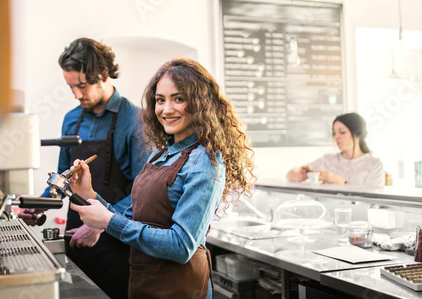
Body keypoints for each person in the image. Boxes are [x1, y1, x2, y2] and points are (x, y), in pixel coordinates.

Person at [68, 58, 257, 298]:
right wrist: (90, 195)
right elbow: (134, 217)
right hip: (145, 282)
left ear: (200, 103)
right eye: (160, 100)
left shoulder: (205, 161)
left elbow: (181, 246)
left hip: (180, 288)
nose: (166, 109)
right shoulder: (162, 154)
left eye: (178, 98)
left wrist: (107, 222)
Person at [23, 38, 149, 298]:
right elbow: (62, 180)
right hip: (75, 238)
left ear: (103, 74)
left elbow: (143, 193)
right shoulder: (71, 119)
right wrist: (39, 205)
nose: (77, 95)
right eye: (71, 87)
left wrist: (101, 224)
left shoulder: (135, 120)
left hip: (117, 244)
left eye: (82, 85)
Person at [286, 112, 384, 187]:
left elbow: (371, 201)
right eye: (334, 133)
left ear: (358, 134)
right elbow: (291, 173)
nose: (336, 137)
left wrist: (341, 182)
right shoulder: (328, 160)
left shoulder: (374, 165)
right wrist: (298, 176)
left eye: (342, 132)